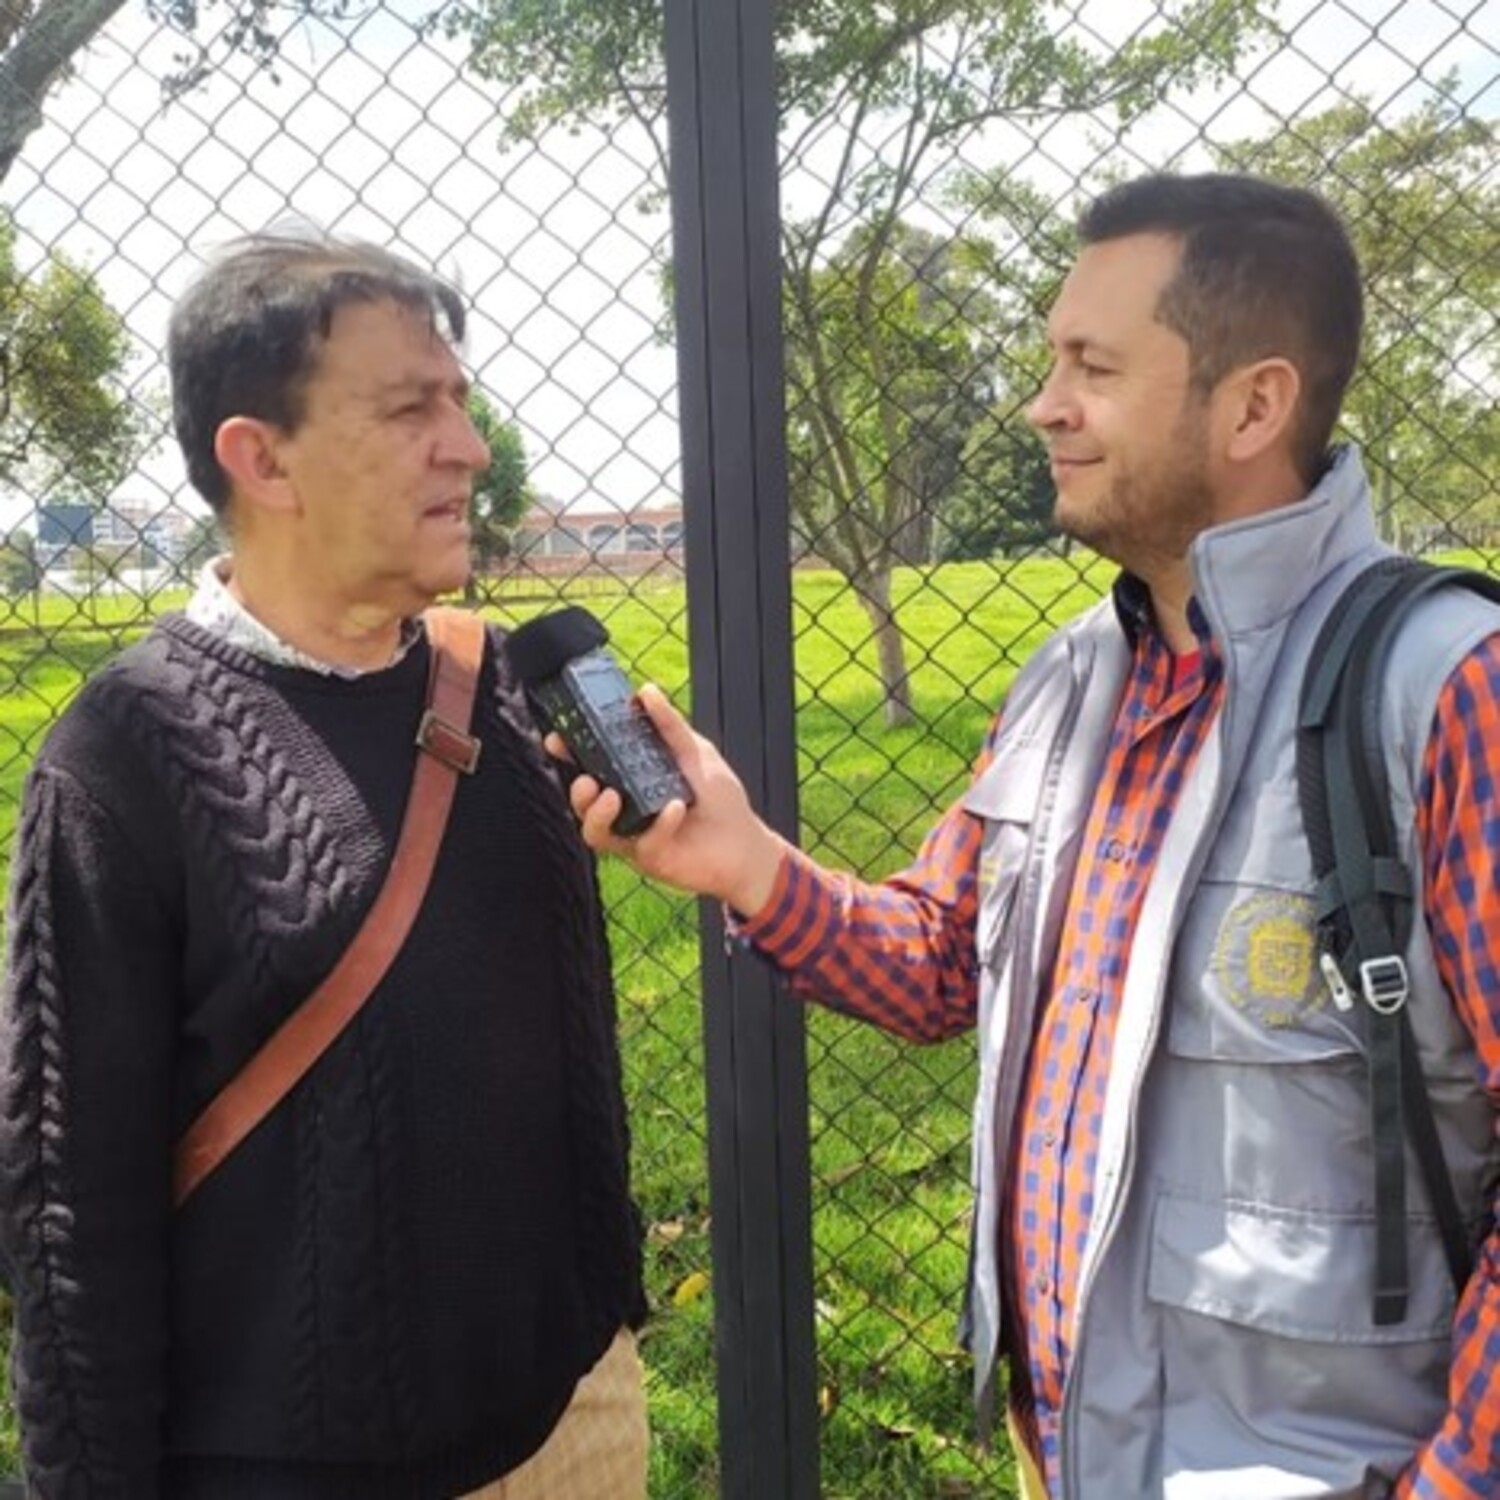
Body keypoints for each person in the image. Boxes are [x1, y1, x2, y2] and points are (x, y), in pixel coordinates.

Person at [562, 174, 1500, 1499]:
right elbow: (945, 963)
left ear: (1253, 404)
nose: (1043, 404)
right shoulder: (1069, 685)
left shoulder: (1448, 692)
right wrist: (746, 865)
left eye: (1091, 366)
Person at [0, 232, 649, 1498]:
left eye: (461, 403)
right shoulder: (126, 754)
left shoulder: (503, 691)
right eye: (414, 409)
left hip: (573, 1418)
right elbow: (70, 1200)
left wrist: (604, 1316)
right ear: (261, 457)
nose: (469, 447)